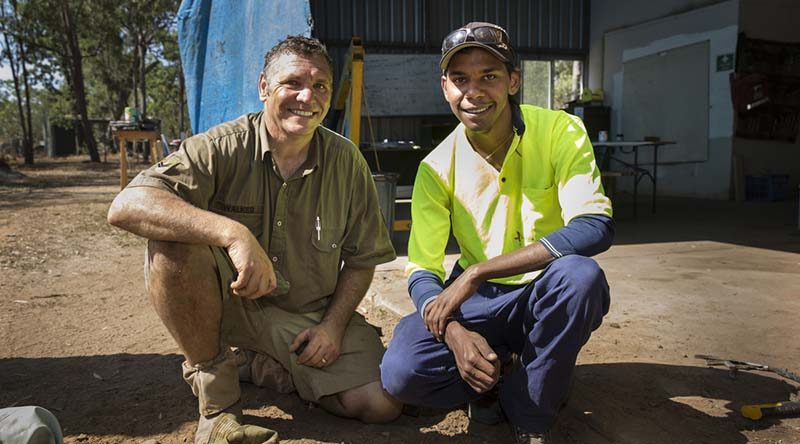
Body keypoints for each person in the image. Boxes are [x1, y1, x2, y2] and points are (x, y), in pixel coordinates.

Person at [108, 35, 402, 444]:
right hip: (230, 309)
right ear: (264, 86)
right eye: (293, 82)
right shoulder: (222, 147)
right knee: (173, 241)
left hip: (307, 317)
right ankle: (218, 411)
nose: (307, 96)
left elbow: (362, 258)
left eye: (320, 86)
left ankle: (261, 365)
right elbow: (126, 206)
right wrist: (232, 232)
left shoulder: (346, 161)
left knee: (381, 405)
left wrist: (333, 327)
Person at [379, 22, 614, 444]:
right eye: (460, 79)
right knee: (401, 375)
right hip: (480, 304)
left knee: (581, 278)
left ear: (513, 81)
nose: (474, 91)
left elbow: (593, 226)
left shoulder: (560, 131)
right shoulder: (435, 167)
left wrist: (476, 272)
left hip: (544, 287)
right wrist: (453, 333)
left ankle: (531, 410)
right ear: (445, 88)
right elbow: (422, 271)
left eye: (489, 76)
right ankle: (504, 371)